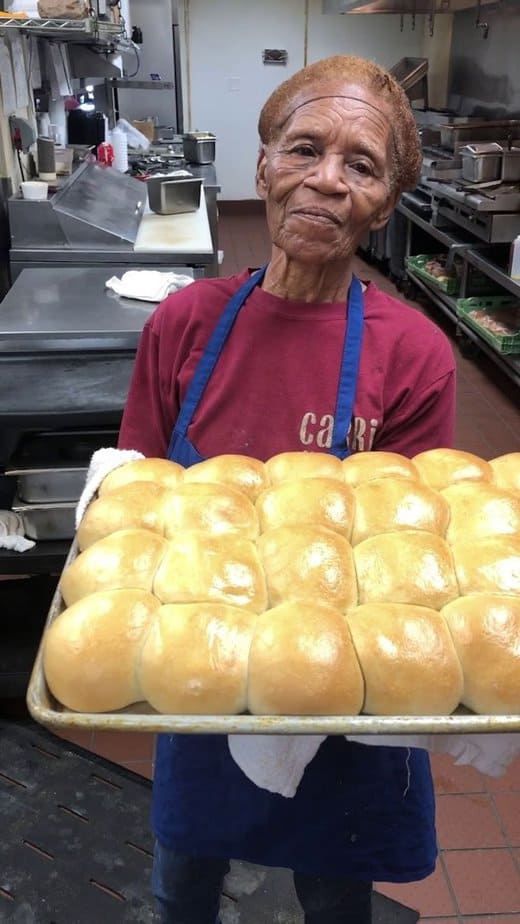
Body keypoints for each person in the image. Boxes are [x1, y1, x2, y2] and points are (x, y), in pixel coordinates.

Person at [118, 55, 456, 924]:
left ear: (385, 202)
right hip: (202, 666)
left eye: (363, 165)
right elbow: (135, 518)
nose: (327, 182)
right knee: (181, 883)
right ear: (263, 164)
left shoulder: (413, 355)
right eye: (305, 148)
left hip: (339, 691)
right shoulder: (184, 324)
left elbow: (404, 554)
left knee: (338, 899)